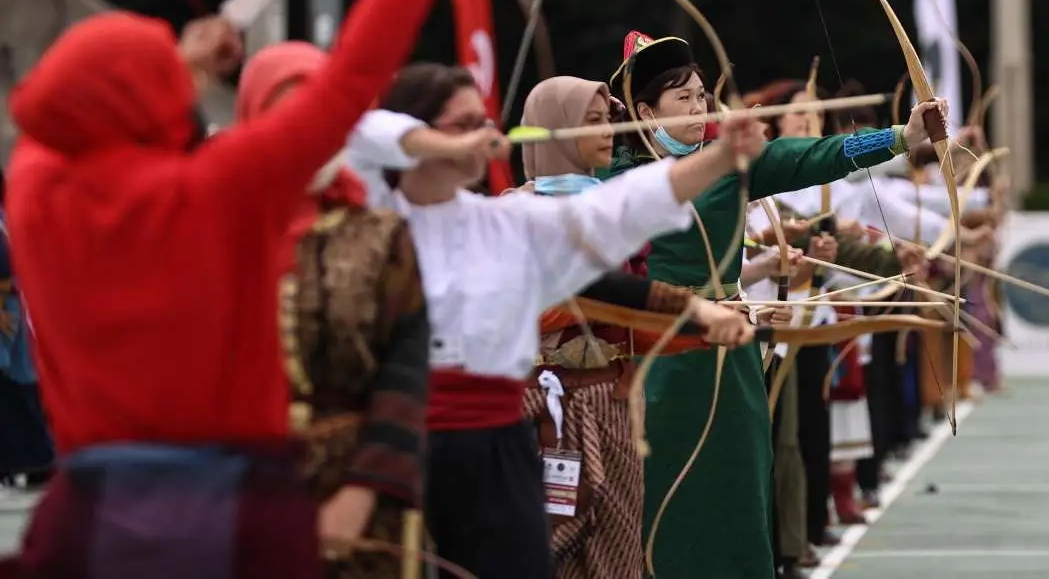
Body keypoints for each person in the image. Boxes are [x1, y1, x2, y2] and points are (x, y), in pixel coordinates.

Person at [1, 0, 470, 578]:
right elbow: (348, 83)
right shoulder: (221, 188)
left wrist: (174, 68)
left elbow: (66, 118)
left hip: (91, 515)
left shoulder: (32, 191)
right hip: (236, 513)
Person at [378, 62, 760, 579]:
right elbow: (351, 130)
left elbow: (615, 221)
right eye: (461, 124)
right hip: (401, 438)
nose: (482, 136)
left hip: (501, 439)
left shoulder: (503, 222)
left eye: (483, 123)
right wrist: (441, 147)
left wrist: (718, 157)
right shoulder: (374, 219)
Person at [604, 31, 948, 579]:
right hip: (656, 355)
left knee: (738, 485)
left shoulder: (729, 165)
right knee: (663, 487)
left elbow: (812, 155)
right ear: (644, 111)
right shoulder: (612, 177)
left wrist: (900, 138)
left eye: (700, 97)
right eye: (682, 100)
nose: (698, 110)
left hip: (728, 351)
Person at [519, 76, 752, 579]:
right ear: (554, 132)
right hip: (545, 410)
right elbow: (588, 296)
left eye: (610, 119)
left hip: (613, 402)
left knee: (618, 550)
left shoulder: (598, 206)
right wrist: (697, 315)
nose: (611, 131)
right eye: (594, 121)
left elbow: (622, 314)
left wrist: (710, 324)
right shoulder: (516, 213)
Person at [234, 42, 430, 578]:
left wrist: (361, 494)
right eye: (287, 116)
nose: (307, 135)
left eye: (321, 115)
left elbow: (405, 377)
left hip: (359, 496)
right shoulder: (220, 234)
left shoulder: (383, 238)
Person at [0, 169, 54, 495]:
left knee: (15, 391)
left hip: (11, 316)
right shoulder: (10, 216)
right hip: (18, 314)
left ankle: (33, 462)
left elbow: (6, 275)